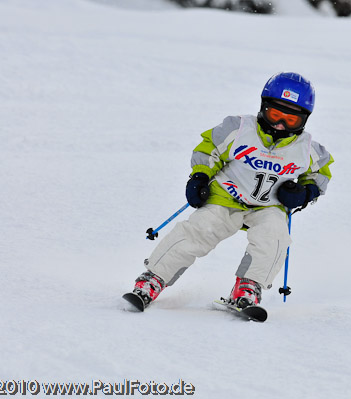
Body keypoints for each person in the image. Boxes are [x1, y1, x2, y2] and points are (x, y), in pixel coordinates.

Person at [127, 72, 334, 310]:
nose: (280, 124)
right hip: (227, 195)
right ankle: (153, 279)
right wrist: (200, 175)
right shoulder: (239, 129)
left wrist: (305, 192)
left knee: (275, 238)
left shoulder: (308, 149)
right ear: (263, 107)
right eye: (275, 114)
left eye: (291, 120)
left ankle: (248, 286)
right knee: (199, 230)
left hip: (269, 206)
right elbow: (209, 148)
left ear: (304, 120)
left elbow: (320, 175)